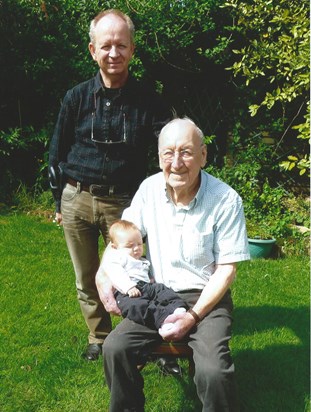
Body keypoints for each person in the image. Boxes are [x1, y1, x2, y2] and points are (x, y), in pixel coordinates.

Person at [96, 117, 250, 412]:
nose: (176, 162)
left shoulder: (226, 200)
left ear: (203, 156)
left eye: (186, 152)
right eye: (168, 153)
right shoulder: (148, 190)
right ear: (159, 157)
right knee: (115, 348)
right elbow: (120, 239)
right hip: (156, 295)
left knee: (213, 371)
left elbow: (227, 270)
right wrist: (104, 275)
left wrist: (192, 315)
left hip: (206, 298)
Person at [48, 9, 172, 362]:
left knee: (139, 273)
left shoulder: (149, 99)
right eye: (106, 46)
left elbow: (170, 143)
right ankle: (99, 335)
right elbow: (57, 149)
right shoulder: (76, 97)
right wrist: (59, 201)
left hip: (126, 204)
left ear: (132, 49)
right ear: (93, 50)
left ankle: (153, 335)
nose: (113, 53)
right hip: (77, 198)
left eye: (121, 45)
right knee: (87, 277)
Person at [106, 219, 188, 333]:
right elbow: (116, 274)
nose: (136, 248)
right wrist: (128, 287)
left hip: (146, 286)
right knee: (137, 307)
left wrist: (150, 279)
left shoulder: (140, 259)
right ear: (115, 248)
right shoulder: (117, 258)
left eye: (139, 244)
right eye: (130, 246)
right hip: (128, 293)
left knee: (162, 290)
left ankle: (177, 307)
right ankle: (162, 320)